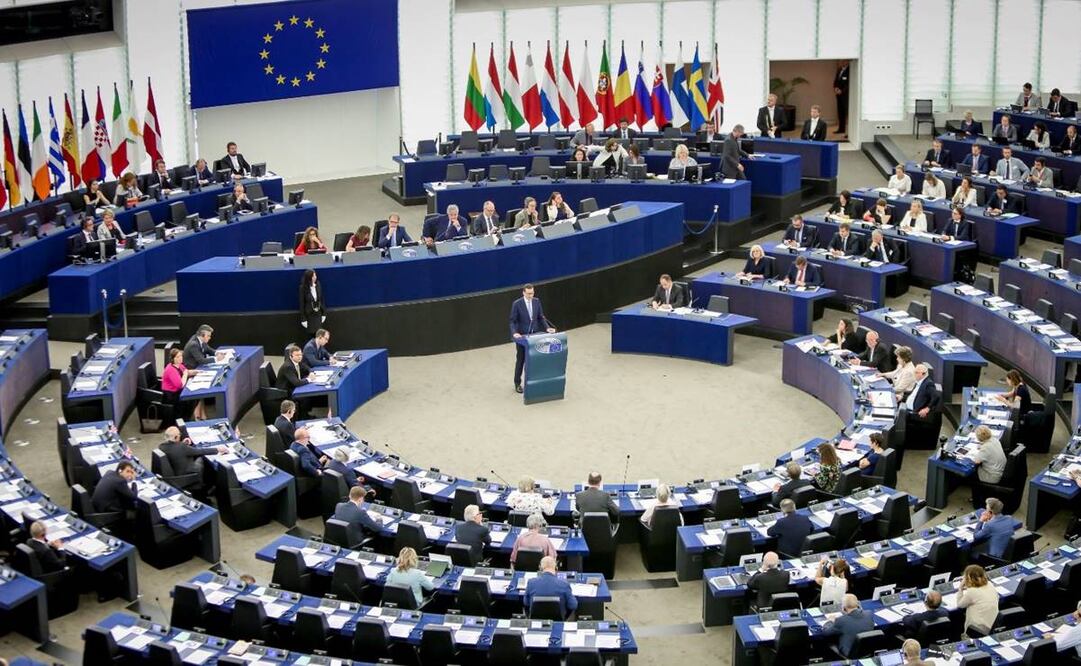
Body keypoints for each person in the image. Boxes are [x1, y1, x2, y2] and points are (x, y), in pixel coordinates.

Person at [509, 283, 555, 393]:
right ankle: (517, 383)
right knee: (521, 360)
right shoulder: (517, 304)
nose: (531, 295)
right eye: (529, 293)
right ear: (523, 292)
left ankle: (534, 382)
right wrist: (515, 332)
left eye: (532, 293)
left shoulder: (536, 301)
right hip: (523, 337)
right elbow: (512, 321)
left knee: (535, 359)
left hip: (535, 336)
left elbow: (541, 317)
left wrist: (547, 328)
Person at [159, 425, 226, 477]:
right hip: (187, 474)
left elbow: (175, 449)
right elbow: (199, 451)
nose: (180, 436)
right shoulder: (181, 447)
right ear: (176, 437)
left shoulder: (161, 446)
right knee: (202, 458)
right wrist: (217, 449)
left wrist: (183, 443)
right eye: (179, 435)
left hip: (175, 472)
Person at [956, 564, 998, 637]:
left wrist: (960, 588)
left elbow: (960, 604)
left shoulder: (972, 592)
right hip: (992, 624)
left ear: (968, 578)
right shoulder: (990, 584)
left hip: (977, 629)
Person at [162, 347, 200, 419]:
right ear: (173, 359)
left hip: (178, 392)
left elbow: (187, 371)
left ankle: (187, 416)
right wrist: (185, 374)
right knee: (191, 399)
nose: (180, 358)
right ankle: (185, 418)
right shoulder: (171, 369)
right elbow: (180, 385)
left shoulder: (179, 365)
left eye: (181, 356)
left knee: (195, 396)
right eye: (178, 357)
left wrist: (198, 372)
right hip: (171, 395)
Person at [299, 269, 325, 335]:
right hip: (309, 315)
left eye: (315, 275)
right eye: (313, 276)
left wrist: (324, 313)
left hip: (318, 313)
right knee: (311, 335)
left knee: (319, 334)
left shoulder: (318, 284)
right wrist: (303, 319)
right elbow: (301, 304)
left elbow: (322, 299)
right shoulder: (303, 288)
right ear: (309, 278)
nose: (315, 277)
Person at [834, 60, 850, 135]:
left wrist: (842, 91)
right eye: (841, 61)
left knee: (848, 114)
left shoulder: (850, 70)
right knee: (840, 113)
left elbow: (849, 83)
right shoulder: (839, 70)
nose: (842, 63)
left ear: (847, 62)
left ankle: (849, 133)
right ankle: (841, 129)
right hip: (839, 95)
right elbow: (836, 81)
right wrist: (836, 88)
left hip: (846, 96)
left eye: (844, 61)